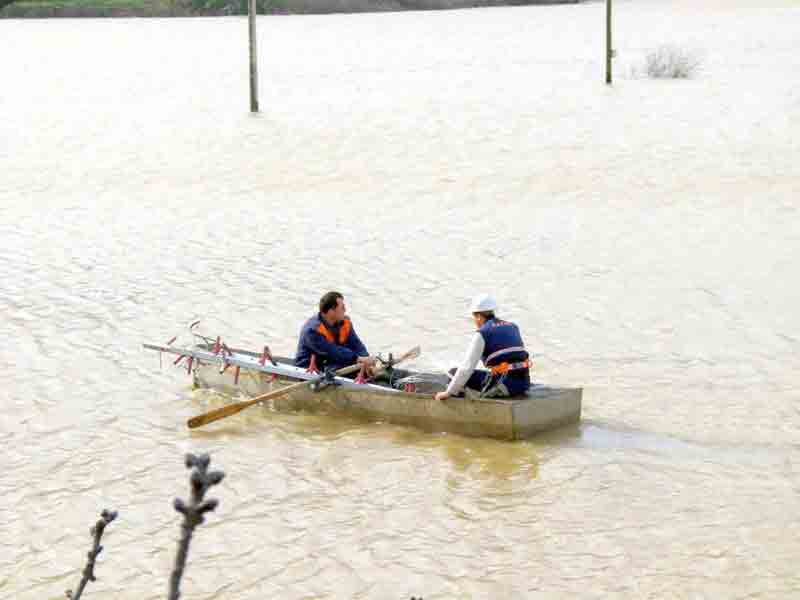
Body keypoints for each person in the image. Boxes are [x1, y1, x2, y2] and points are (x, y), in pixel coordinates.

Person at [434, 294, 531, 401]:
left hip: (505, 385)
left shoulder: (483, 333)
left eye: (474, 318)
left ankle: (459, 410)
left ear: (479, 316)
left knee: (453, 373)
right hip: (524, 384)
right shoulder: (513, 326)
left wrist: (448, 392)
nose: (475, 322)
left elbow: (467, 367)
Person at [295, 291, 375, 374]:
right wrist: (357, 359)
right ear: (331, 311)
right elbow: (332, 351)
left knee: (364, 366)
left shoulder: (345, 323)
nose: (345, 310)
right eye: (342, 308)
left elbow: (357, 345)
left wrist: (365, 359)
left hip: (333, 362)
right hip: (309, 368)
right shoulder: (312, 330)